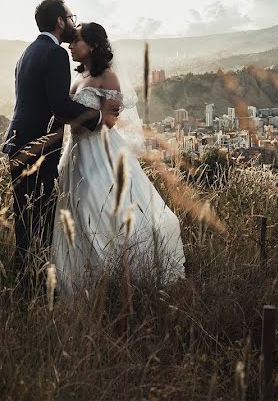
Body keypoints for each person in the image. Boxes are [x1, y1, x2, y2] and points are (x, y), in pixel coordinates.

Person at [52, 22, 185, 294]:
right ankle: (78, 282)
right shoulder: (77, 78)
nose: (70, 45)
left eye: (76, 41)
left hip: (100, 151)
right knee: (74, 210)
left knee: (95, 204)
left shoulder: (108, 78)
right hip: (75, 152)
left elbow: (110, 120)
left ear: (93, 45)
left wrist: (78, 118)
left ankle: (113, 277)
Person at [2, 0, 120, 292]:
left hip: (18, 144)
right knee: (40, 220)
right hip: (38, 148)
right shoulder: (54, 53)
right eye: (70, 17)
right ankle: (36, 290)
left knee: (25, 220)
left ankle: (25, 284)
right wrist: (97, 118)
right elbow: (59, 106)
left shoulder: (28, 52)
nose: (72, 22)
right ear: (59, 21)